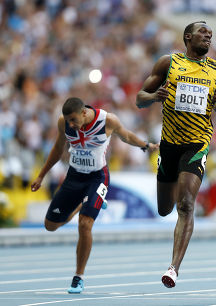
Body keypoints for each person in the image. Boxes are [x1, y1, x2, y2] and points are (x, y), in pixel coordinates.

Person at [136, 21, 216, 288]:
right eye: (203, 32)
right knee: (165, 209)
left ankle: (173, 268)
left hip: (197, 143)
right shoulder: (168, 63)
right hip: (169, 144)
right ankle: (173, 187)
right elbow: (139, 98)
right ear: (188, 37)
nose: (208, 35)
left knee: (187, 204)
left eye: (210, 34)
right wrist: (155, 96)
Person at [31, 97, 157, 293]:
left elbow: (126, 136)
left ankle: (78, 277)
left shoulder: (108, 120)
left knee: (85, 224)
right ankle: (84, 203)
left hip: (97, 177)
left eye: (73, 120)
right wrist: (41, 175)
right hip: (74, 177)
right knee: (50, 226)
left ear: (84, 113)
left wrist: (145, 145)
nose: (71, 125)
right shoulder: (63, 123)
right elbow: (57, 149)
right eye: (68, 121)